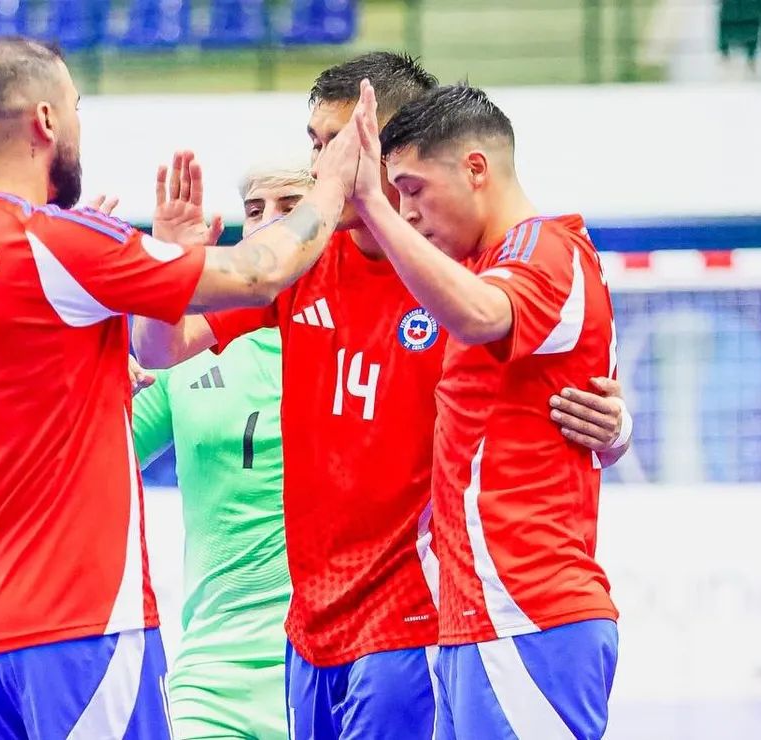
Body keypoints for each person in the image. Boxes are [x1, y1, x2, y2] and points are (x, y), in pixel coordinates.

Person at [136, 54, 630, 740]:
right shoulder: (299, 259)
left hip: (416, 620)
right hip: (308, 628)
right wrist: (171, 266)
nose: (320, 165)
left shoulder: (458, 271)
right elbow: (160, 348)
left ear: (395, 150)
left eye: (337, 144)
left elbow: (532, 355)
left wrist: (616, 424)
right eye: (314, 142)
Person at [0, 35, 364, 740]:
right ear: (46, 120)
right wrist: (330, 189)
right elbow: (258, 274)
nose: (80, 124)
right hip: (75, 615)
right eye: (77, 107)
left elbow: (34, 381)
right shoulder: (57, 244)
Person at [351, 83, 622, 739]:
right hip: (480, 618)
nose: (405, 211)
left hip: (528, 612)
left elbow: (481, 315)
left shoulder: (541, 250)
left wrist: (369, 206)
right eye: (393, 193)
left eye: (412, 189)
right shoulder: (490, 262)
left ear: (476, 169)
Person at [130, 159, 315, 740]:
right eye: (255, 212)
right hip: (211, 677)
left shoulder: (368, 338)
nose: (269, 225)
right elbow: (93, 455)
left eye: (290, 207)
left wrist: (609, 436)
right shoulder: (189, 352)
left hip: (336, 662)